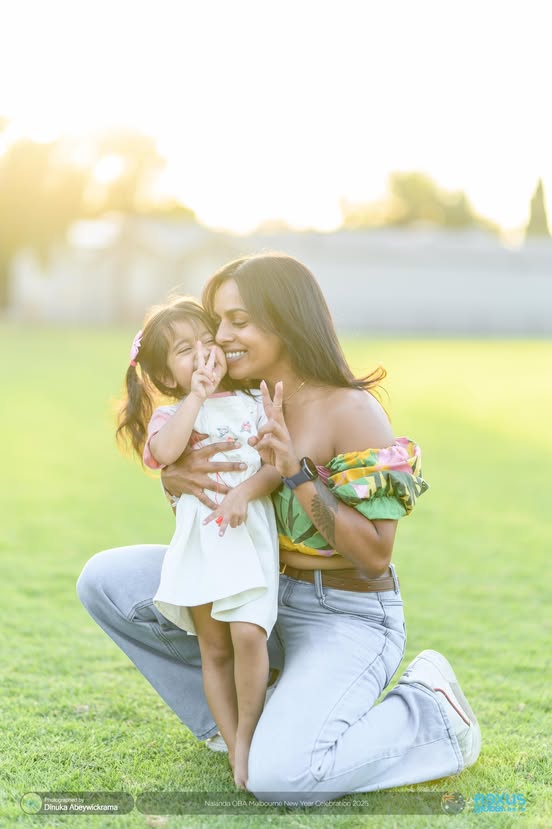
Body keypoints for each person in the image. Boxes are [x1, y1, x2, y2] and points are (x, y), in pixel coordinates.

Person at [78, 253, 481, 803]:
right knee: (105, 579)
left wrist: (294, 473)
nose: (221, 337)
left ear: (286, 321)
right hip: (261, 589)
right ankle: (237, 732)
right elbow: (203, 488)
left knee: (281, 779)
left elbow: (375, 557)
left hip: (345, 614)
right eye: (219, 321)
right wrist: (174, 478)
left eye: (238, 322)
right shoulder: (238, 403)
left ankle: (429, 714)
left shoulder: (351, 411)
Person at [115, 297, 281, 788]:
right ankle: (234, 748)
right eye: (186, 350)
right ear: (168, 377)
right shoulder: (174, 415)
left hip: (249, 539)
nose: (205, 353)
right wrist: (197, 397)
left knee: (249, 635)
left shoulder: (254, 403)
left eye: (208, 340)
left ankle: (250, 735)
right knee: (216, 649)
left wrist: (245, 494)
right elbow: (163, 455)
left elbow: (275, 467)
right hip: (203, 546)